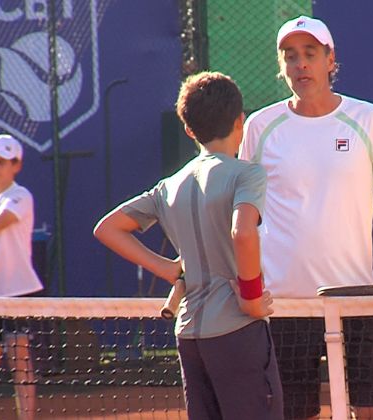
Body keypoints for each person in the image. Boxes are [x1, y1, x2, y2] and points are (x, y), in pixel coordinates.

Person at [239, 15, 373, 420]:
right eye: (290, 57)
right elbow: (243, 219)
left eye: (309, 54)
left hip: (356, 300)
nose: (300, 65)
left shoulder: (369, 120)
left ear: (330, 59)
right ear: (282, 65)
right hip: (286, 306)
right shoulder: (260, 127)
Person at [93, 71, 283, 419]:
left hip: (190, 338)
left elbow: (108, 228)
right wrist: (252, 299)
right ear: (240, 121)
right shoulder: (247, 173)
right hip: (237, 332)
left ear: (189, 130)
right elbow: (242, 233)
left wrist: (168, 269)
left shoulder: (168, 187)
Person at [0, 134, 43, 420]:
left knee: (20, 360)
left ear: (15, 165)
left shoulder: (21, 196)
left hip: (18, 291)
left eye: (0, 161)